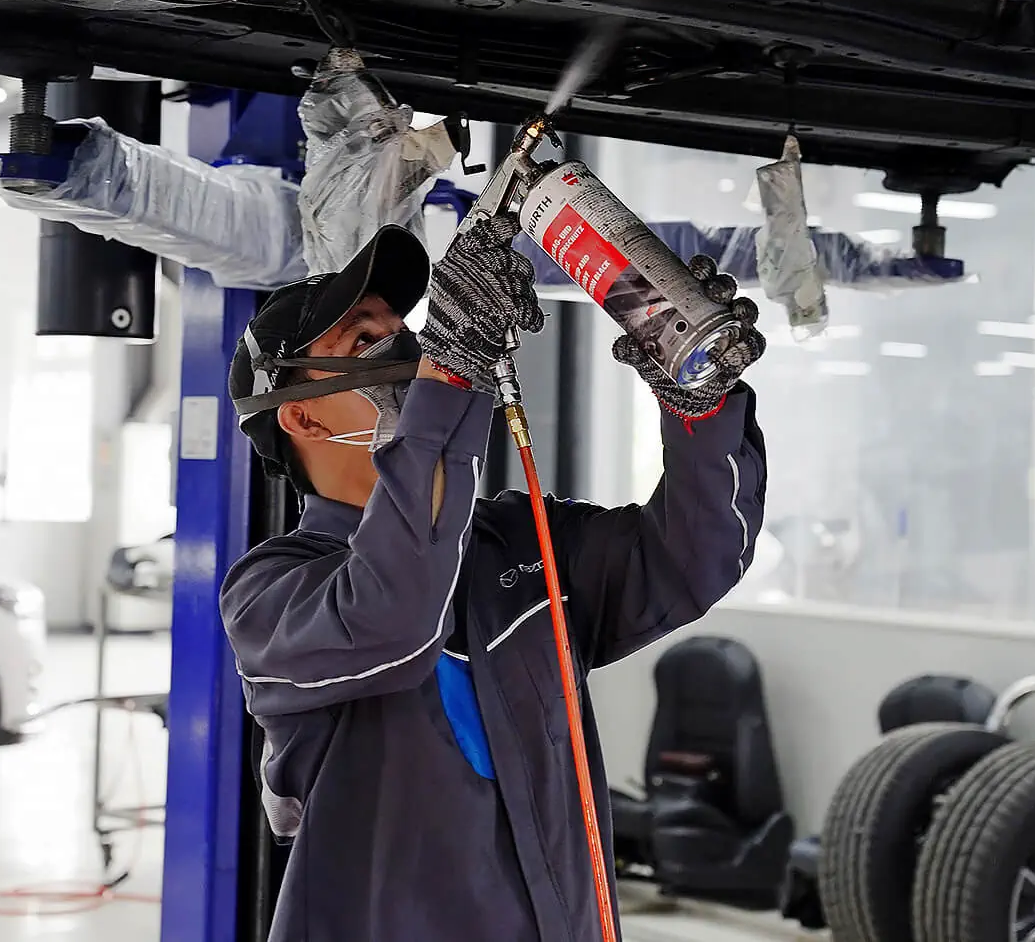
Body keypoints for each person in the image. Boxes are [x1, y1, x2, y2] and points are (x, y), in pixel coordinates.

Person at [222, 209, 767, 941]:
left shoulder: (518, 543)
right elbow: (394, 610)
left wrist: (698, 404)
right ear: (305, 420)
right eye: (363, 339)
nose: (406, 348)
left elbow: (694, 559)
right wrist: (452, 379)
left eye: (405, 327)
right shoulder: (270, 595)